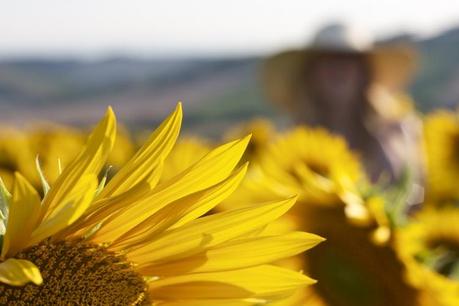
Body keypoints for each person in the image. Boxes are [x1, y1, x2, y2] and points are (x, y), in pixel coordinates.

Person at [262, 23, 421, 182]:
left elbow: (417, 192)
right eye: (328, 60)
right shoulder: (290, 142)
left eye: (348, 60)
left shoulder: (397, 131)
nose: (338, 69)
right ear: (310, 74)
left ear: (364, 72)